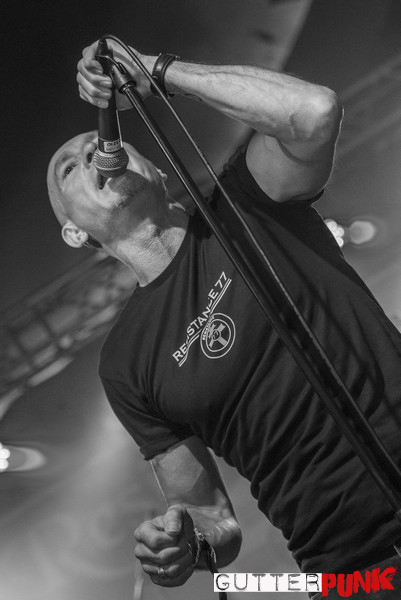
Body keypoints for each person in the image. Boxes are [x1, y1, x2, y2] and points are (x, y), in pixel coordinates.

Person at [46, 39, 401, 599]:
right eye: (71, 166)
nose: (94, 152)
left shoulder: (244, 202)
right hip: (353, 569)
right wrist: (186, 542)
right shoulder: (124, 363)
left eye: (98, 143)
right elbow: (211, 515)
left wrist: (157, 71)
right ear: (74, 232)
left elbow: (314, 113)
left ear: (155, 169)